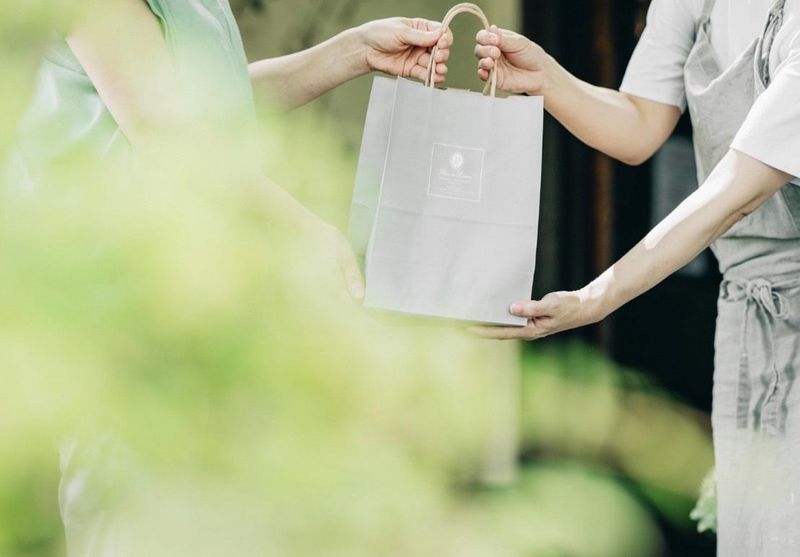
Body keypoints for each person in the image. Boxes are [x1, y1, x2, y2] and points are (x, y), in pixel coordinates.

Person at [7, 1, 452, 555]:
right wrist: (305, 230)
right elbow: (164, 128)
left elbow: (201, 105)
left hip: (199, 309)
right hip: (124, 317)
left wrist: (352, 51)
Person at [471, 0, 800, 554]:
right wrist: (545, 77)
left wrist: (595, 297)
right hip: (747, 313)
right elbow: (640, 123)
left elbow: (738, 191)